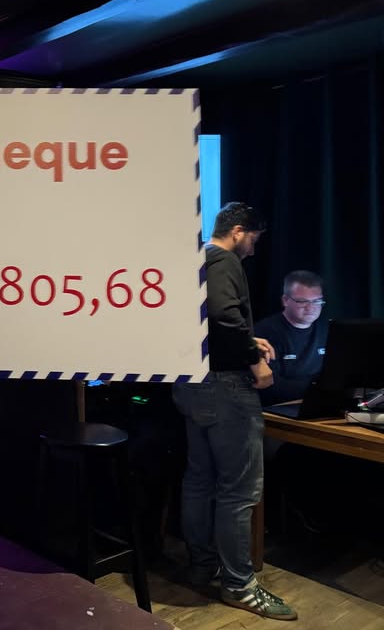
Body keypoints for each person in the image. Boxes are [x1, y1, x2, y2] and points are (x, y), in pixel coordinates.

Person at [172, 202, 297, 621]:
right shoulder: (224, 259)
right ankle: (240, 585)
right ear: (239, 231)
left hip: (192, 383)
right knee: (239, 492)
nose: (254, 250)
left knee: (199, 480)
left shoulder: (194, 261)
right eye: (254, 240)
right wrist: (254, 358)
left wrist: (247, 340)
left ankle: (202, 566)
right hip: (226, 389)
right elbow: (225, 314)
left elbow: (210, 322)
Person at [254, 270, 328, 407]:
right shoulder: (264, 333)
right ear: (285, 300)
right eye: (302, 301)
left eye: (317, 301)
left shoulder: (327, 329)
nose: (311, 308)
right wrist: (320, 389)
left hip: (319, 403)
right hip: (279, 408)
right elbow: (271, 385)